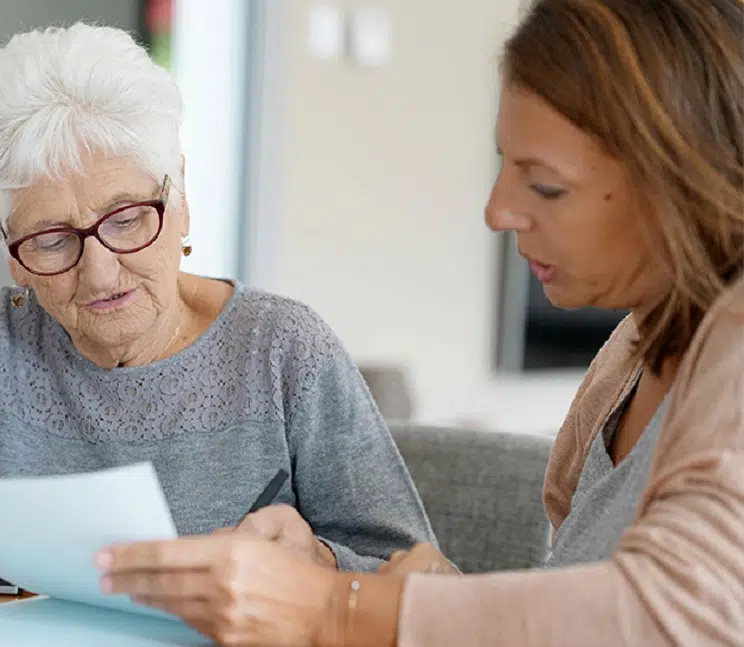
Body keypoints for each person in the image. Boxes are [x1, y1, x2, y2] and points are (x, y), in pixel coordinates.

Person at [95, 0, 744, 644]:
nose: (498, 211)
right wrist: (342, 574)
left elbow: (679, 614)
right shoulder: (634, 350)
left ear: (681, 178)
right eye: (504, 166)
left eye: (544, 185)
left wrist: (335, 606)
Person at [0, 23, 436, 581]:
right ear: (9, 250)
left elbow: (430, 584)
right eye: (51, 240)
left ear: (181, 196)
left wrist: (319, 566)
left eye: (129, 216)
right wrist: (26, 543)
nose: (101, 273)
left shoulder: (284, 350)